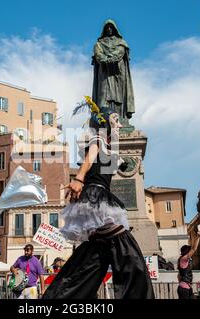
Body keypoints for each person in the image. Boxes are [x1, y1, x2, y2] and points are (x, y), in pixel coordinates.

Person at [43, 97, 154, 299]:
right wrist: (78, 178)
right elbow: (89, 159)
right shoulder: (98, 139)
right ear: (107, 123)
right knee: (122, 241)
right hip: (96, 195)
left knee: (95, 252)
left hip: (99, 195)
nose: (119, 124)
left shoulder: (109, 147)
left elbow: (108, 161)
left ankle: (63, 296)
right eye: (116, 120)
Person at [92, 20, 135, 121]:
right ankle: (104, 120)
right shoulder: (99, 44)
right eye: (107, 27)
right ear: (104, 29)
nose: (109, 29)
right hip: (104, 72)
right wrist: (106, 60)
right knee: (103, 95)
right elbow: (98, 55)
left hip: (118, 73)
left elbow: (120, 52)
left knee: (119, 95)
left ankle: (120, 118)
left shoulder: (121, 42)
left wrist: (110, 58)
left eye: (111, 27)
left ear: (115, 29)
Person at [177, 231, 200, 299]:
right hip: (184, 288)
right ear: (186, 252)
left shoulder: (182, 260)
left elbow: (178, 275)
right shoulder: (184, 259)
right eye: (189, 251)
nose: (190, 253)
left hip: (186, 287)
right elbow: (194, 249)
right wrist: (198, 237)